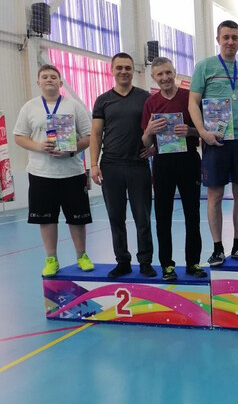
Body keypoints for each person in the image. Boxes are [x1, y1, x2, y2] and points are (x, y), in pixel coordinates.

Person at [188, 20, 238, 267]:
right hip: (216, 140)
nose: (230, 41)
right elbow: (192, 103)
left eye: (234, 37)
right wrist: (203, 132)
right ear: (218, 39)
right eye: (226, 37)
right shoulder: (204, 66)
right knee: (215, 195)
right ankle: (218, 248)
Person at [14, 64, 94, 277]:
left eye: (53, 76)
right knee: (47, 218)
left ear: (60, 82)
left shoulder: (74, 106)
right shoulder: (29, 107)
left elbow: (89, 136)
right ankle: (51, 259)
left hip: (72, 172)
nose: (49, 79)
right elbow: (19, 136)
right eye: (45, 77)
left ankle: (82, 256)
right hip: (41, 173)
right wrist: (39, 146)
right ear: (38, 82)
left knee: (77, 218)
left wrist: (71, 151)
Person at [90, 52, 156, 279]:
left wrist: (155, 148)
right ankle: (122, 261)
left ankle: (145, 262)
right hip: (111, 166)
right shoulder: (103, 100)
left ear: (133, 70)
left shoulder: (146, 98)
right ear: (112, 70)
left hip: (138, 165)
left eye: (127, 67)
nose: (124, 71)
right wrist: (94, 164)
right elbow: (96, 134)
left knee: (142, 218)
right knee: (115, 217)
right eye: (119, 68)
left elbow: (158, 127)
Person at [142, 57, 205, 281]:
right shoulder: (151, 103)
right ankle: (167, 265)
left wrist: (190, 131)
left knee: (192, 214)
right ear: (154, 77)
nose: (165, 77)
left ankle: (193, 262)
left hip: (188, 160)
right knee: (163, 216)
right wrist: (149, 130)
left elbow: (203, 130)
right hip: (163, 163)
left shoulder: (190, 98)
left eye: (168, 72)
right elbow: (145, 143)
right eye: (160, 74)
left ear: (175, 72)